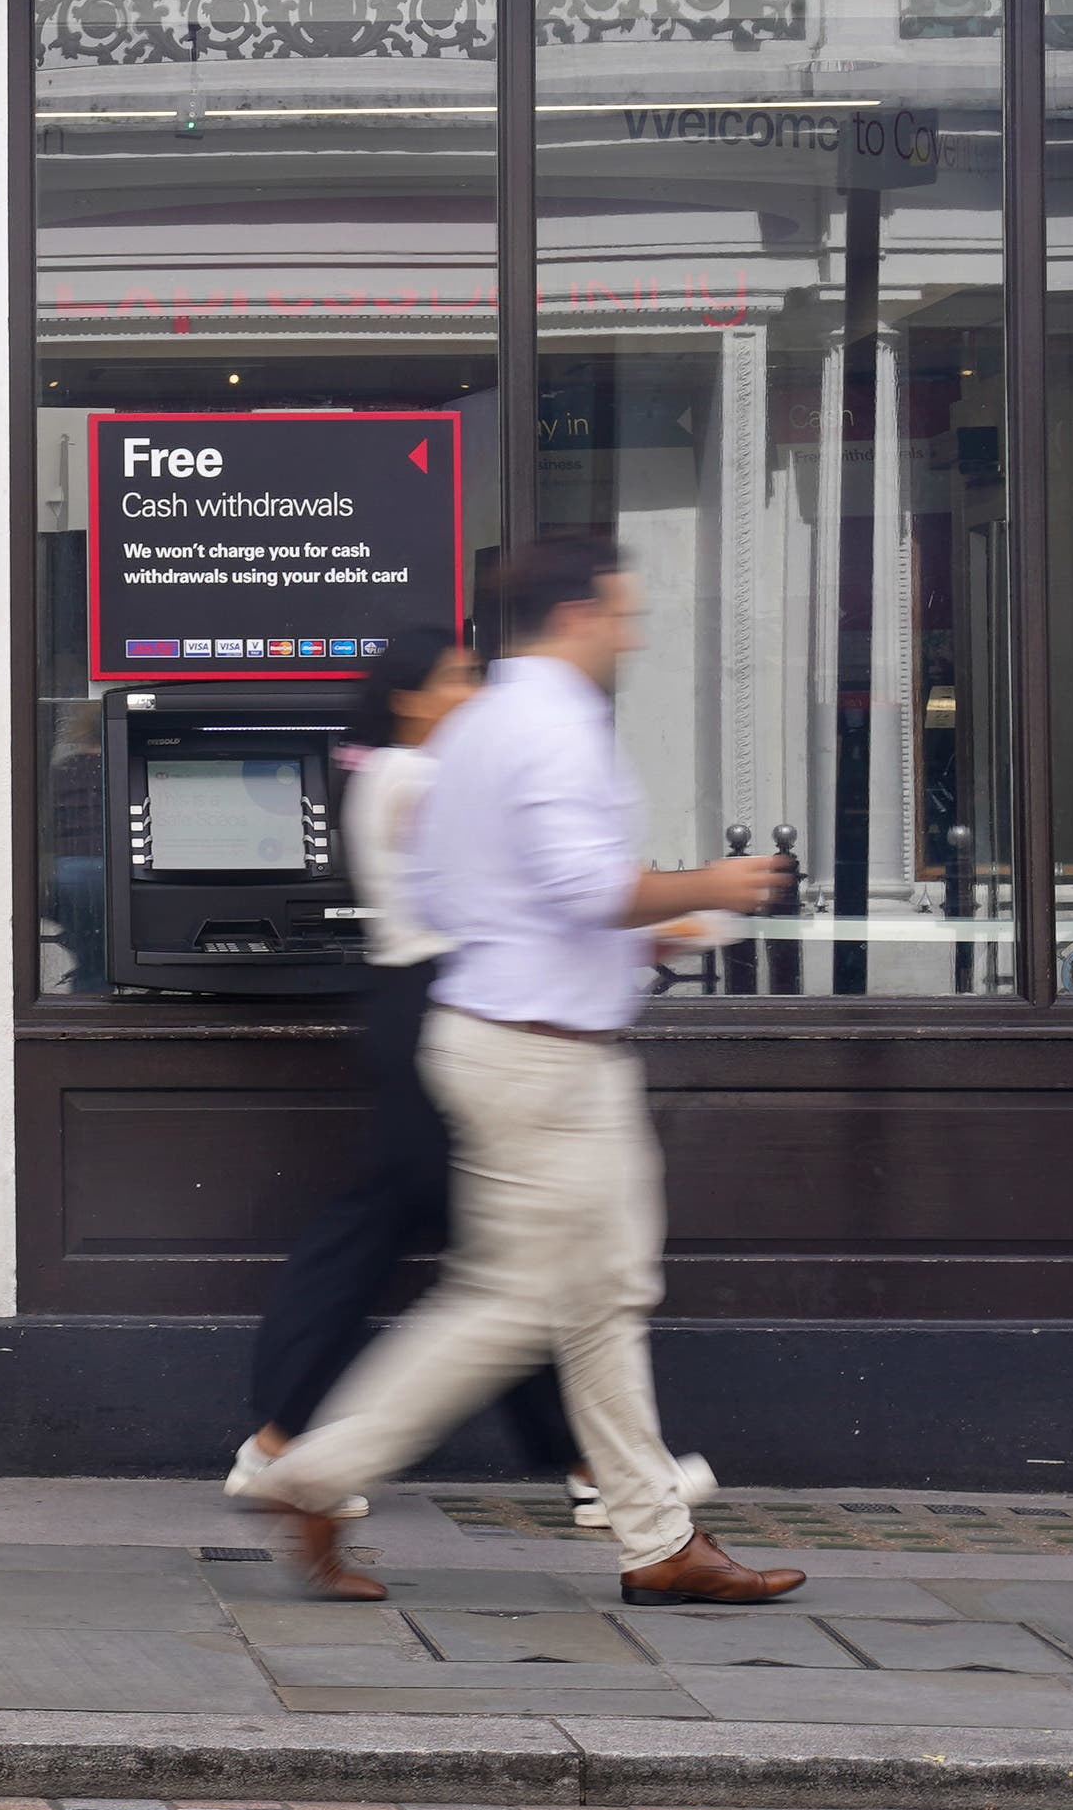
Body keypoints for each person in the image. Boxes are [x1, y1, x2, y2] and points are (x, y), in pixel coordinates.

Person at [256, 536, 806, 1609]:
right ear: (577, 614)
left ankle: (655, 1537)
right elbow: (577, 881)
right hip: (545, 1059)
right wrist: (718, 884)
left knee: (597, 1294)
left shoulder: (481, 725)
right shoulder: (553, 725)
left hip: (498, 1035)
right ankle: (317, 1473)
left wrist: (632, 939)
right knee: (524, 1302)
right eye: (625, 613)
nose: (635, 633)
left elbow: (482, 895)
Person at [227, 626, 588, 1554]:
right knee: (494, 1245)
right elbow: (515, 886)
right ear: (410, 699)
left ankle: (279, 1442)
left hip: (417, 1007)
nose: (475, 691)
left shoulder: (389, 774)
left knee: (447, 1238)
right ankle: (596, 1465)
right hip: (437, 1006)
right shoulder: (417, 781)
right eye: (460, 677)